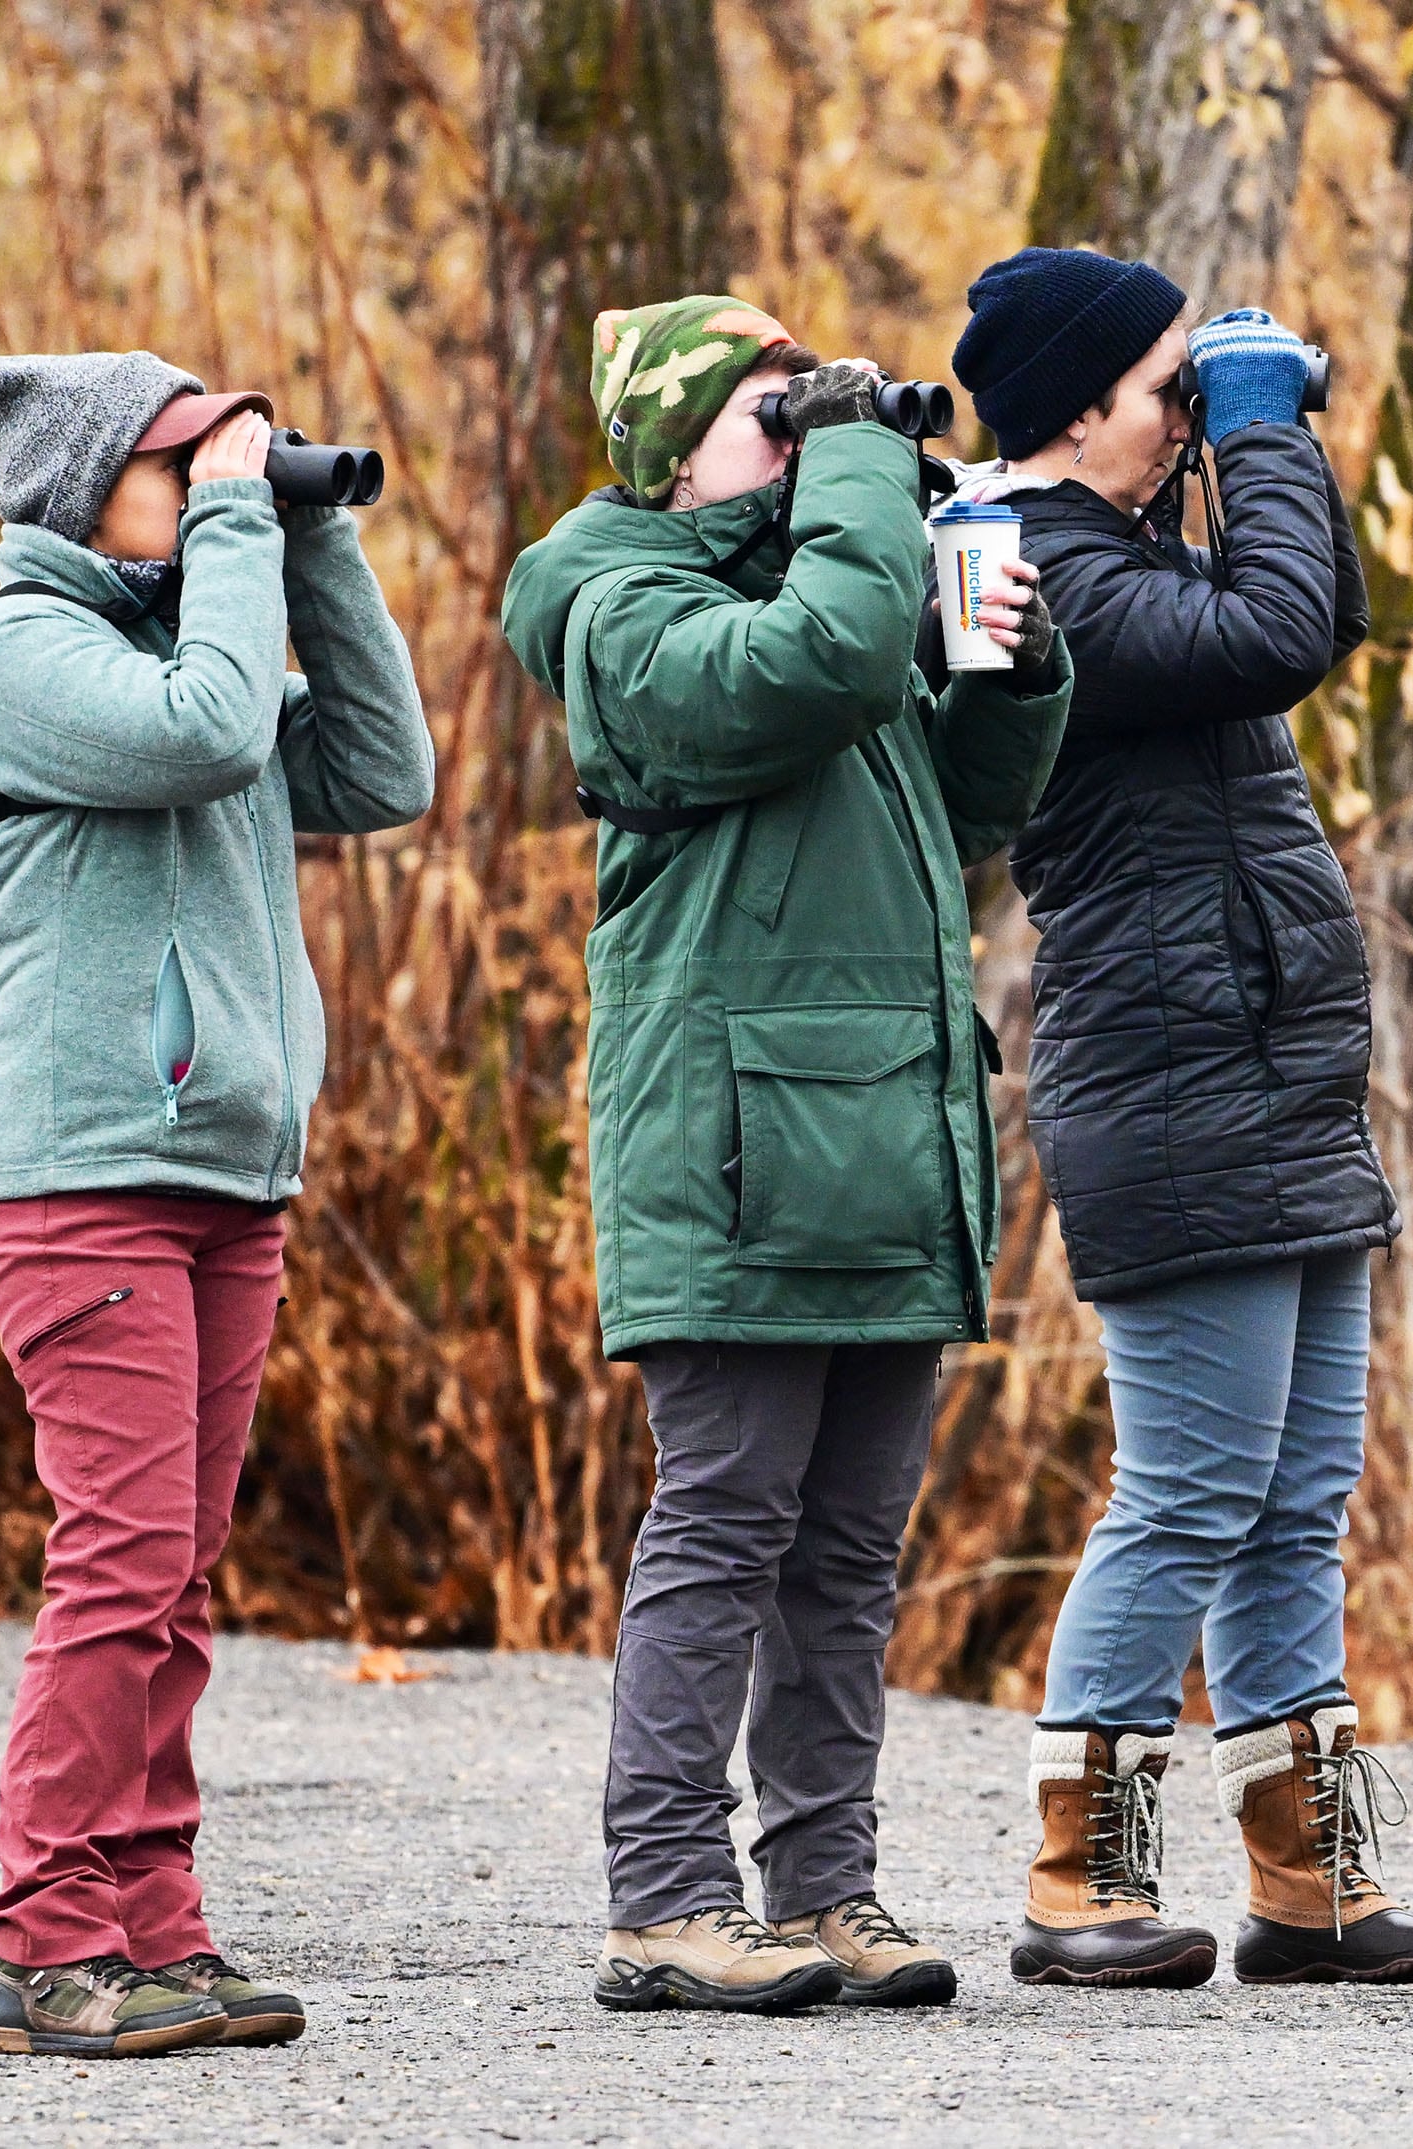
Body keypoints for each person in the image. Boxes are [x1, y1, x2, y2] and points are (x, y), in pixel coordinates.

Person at [501, 296, 1071, 2014]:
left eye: (817, 417)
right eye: (776, 417)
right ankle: (666, 1895)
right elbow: (814, 667)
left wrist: (1010, 665)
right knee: (726, 1519)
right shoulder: (624, 606)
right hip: (734, 1149)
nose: (816, 444)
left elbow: (964, 812)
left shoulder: (823, 583)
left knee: (845, 1546)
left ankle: (823, 1883)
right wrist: (862, 486)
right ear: (674, 451)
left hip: (884, 1129)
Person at [947, 250, 1413, 1989]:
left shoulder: (1127, 554)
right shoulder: (1030, 571)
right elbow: (1276, 633)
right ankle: (1074, 1871)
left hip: (1271, 1075)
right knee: (1187, 1492)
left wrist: (1258, 447)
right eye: (1175, 387)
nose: (1198, 412)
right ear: (1080, 407)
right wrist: (1262, 427)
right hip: (1172, 1088)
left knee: (1297, 1494)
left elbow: (1311, 615)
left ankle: (1308, 1878)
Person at [0, 344, 435, 2056]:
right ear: (90, 493)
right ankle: (47, 1935)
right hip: (83, 1177)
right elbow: (213, 722)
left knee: (181, 1573)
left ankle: (151, 1917)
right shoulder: (24, 657)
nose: (220, 486)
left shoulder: (193, 644)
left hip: (226, 1178)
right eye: (185, 464)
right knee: (121, 1559)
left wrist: (314, 543)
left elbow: (380, 768)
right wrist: (239, 523)